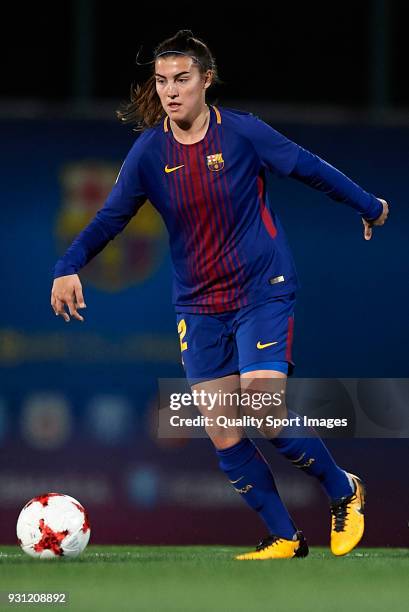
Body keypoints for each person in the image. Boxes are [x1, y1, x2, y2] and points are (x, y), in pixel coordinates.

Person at [51, 30, 389, 559]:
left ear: (206, 80)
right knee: (224, 430)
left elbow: (309, 168)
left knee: (261, 405)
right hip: (199, 303)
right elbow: (109, 218)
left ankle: (344, 491)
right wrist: (67, 265)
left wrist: (368, 205)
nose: (170, 91)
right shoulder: (148, 153)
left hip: (262, 288)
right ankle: (284, 536)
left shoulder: (244, 134)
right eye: (162, 81)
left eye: (182, 79)